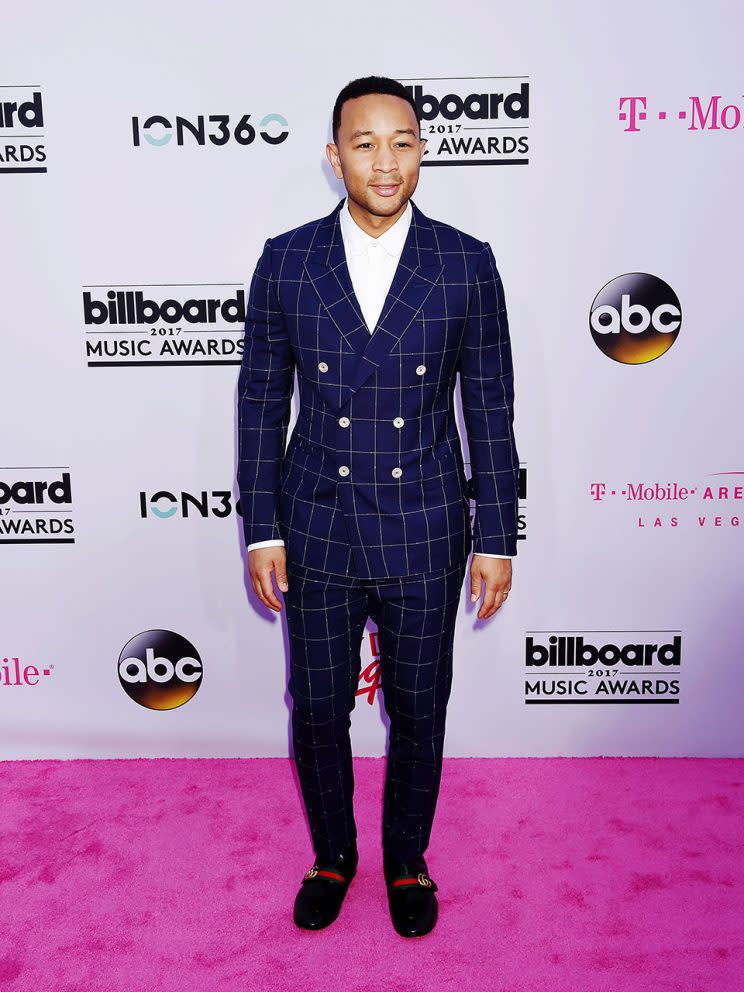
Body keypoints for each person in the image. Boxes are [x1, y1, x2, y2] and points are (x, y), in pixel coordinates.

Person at [236, 75, 520, 938]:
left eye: (402, 141)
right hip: (316, 519)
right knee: (318, 704)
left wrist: (497, 534)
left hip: (426, 523)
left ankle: (406, 860)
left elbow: (491, 409)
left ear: (422, 149)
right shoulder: (287, 260)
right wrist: (263, 529)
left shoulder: (465, 261)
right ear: (335, 157)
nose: (385, 161)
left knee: (420, 709)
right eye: (364, 144)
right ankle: (332, 853)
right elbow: (260, 404)